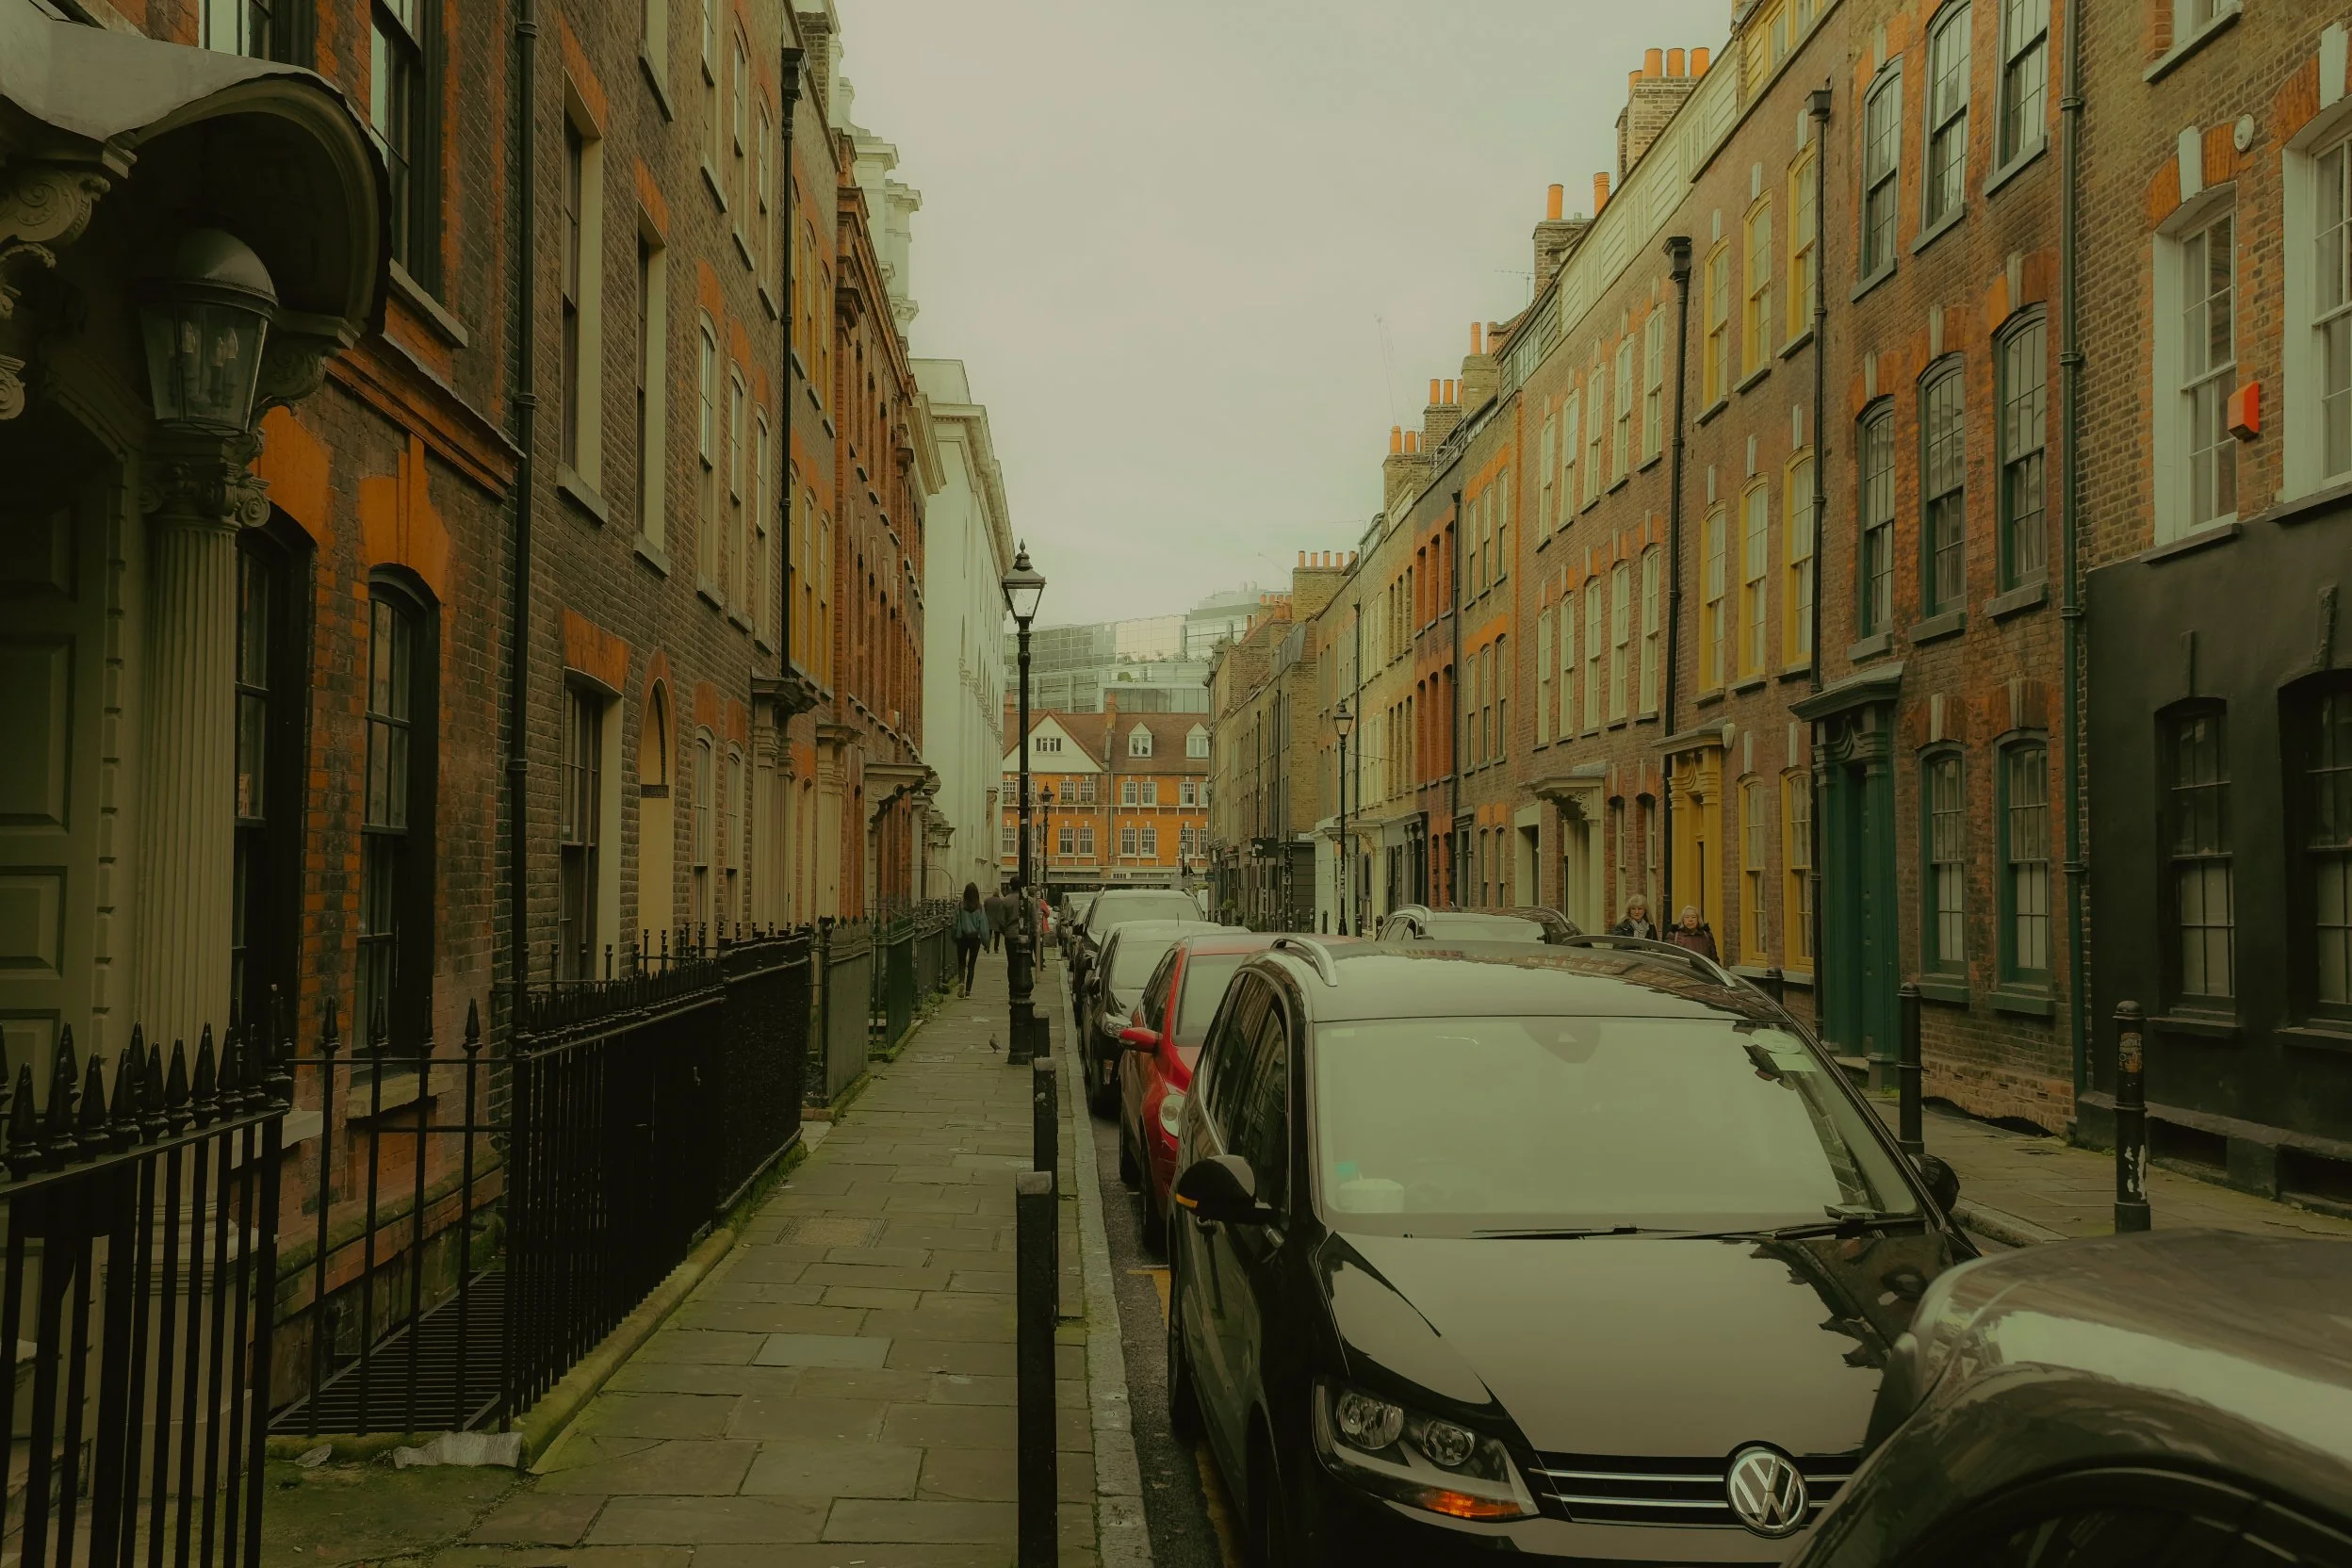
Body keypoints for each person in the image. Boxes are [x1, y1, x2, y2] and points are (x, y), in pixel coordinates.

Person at [954, 883, 988, 995]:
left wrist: (955, 935)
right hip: (975, 938)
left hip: (962, 937)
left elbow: (954, 923)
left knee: (961, 962)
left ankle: (961, 982)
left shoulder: (959, 906)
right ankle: (968, 991)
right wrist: (986, 942)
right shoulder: (980, 907)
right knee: (972, 964)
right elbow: (983, 926)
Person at [983, 883, 1016, 953]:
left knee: (988, 935)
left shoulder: (987, 900)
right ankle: (996, 949)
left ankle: (987, 947)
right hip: (997, 921)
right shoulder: (1001, 901)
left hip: (989, 920)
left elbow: (984, 910)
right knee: (997, 936)